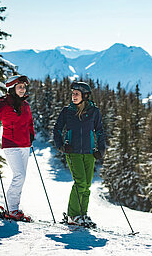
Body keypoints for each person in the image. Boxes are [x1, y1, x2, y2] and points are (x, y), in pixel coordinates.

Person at [53, 81, 106, 227]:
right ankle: (73, 215)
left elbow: (100, 131)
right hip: (73, 152)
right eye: (73, 94)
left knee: (87, 185)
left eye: (77, 94)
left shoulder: (94, 112)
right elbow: (57, 129)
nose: (73, 96)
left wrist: (101, 149)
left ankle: (82, 214)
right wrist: (61, 146)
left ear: (85, 96)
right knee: (80, 182)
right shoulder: (67, 111)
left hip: (89, 152)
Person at [0, 75, 35, 221]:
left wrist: (31, 134)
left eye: (24, 87)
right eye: (20, 87)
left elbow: (30, 122)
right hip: (11, 144)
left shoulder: (25, 105)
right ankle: (12, 209)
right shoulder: (5, 104)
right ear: (12, 89)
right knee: (20, 176)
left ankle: (13, 208)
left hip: (25, 145)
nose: (23, 90)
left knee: (21, 178)